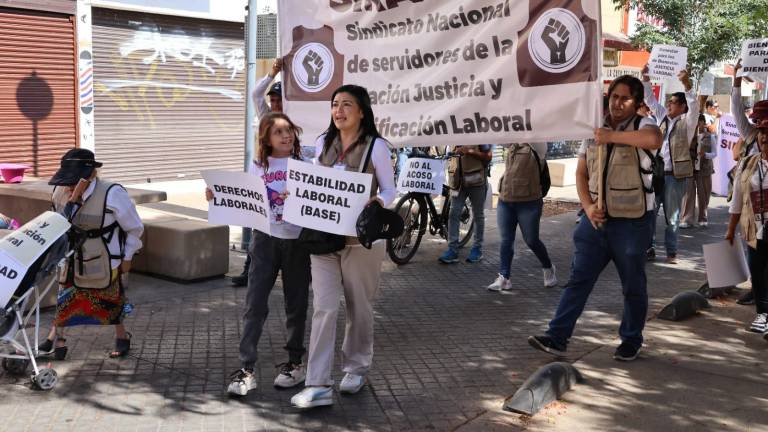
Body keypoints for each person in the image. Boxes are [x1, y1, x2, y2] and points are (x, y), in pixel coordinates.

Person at [528, 75, 662, 362]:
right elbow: (581, 173)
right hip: (595, 221)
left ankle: (631, 339)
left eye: (625, 98)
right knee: (578, 280)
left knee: (633, 285)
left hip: (633, 223)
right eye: (614, 96)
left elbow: (654, 139)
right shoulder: (593, 130)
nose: (617, 103)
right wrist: (587, 206)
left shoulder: (643, 126)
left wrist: (612, 136)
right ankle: (558, 336)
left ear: (637, 103)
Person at [290, 85, 396, 409]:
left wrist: (379, 201)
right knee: (323, 308)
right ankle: (318, 382)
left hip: (361, 243)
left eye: (347, 105)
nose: (339, 111)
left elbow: (391, 189)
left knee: (359, 307)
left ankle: (356, 368)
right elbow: (313, 185)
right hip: (323, 239)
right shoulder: (323, 143)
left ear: (362, 111)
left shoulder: (376, 147)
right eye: (335, 105)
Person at [207, 113, 311, 396]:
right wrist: (216, 195)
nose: (286, 135)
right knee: (254, 305)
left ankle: (294, 363)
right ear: (266, 137)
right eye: (279, 131)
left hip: (297, 242)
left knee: (296, 305)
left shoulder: (304, 165)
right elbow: (243, 197)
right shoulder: (257, 165)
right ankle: (246, 368)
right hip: (264, 241)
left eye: (289, 130)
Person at [38, 149, 143, 360]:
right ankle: (57, 340)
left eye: (73, 181)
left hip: (104, 259)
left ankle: (122, 337)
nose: (68, 185)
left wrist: (128, 258)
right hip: (71, 257)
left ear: (91, 174)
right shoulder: (61, 191)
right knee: (66, 298)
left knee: (110, 300)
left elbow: (135, 228)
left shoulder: (112, 193)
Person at [232, 59, 284, 288]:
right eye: (271, 100)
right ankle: (249, 270)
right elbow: (255, 95)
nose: (273, 104)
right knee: (257, 221)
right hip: (263, 176)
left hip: (285, 182)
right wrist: (272, 73)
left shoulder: (296, 122)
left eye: (277, 101)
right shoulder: (266, 117)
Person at [643, 66, 700, 264]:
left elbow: (695, 105)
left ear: (683, 106)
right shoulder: (661, 117)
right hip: (657, 174)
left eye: (673, 102)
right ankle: (649, 248)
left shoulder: (688, 122)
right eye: (668, 101)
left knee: (672, 218)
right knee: (649, 212)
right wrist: (645, 78)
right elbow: (649, 99)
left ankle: (671, 252)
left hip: (675, 177)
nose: (668, 104)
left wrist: (686, 84)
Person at [487, 142, 557, 291]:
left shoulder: (538, 144)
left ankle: (548, 267)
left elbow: (534, 138)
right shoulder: (512, 138)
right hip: (506, 200)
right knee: (506, 240)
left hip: (529, 202)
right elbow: (500, 136)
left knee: (531, 240)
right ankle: (504, 277)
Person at [725, 118, 768, 338]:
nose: (764, 137)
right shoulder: (748, 162)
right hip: (754, 229)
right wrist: (731, 230)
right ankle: (762, 314)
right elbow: (737, 200)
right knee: (757, 274)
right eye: (761, 132)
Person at [438, 144, 492, 264]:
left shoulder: (478, 134)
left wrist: (470, 151)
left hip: (476, 181)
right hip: (457, 183)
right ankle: (453, 250)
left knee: (478, 215)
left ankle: (477, 249)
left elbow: (488, 156)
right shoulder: (451, 134)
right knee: (453, 213)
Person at [680, 114, 716, 228]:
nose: (696, 125)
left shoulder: (710, 137)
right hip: (690, 168)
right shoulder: (688, 136)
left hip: (704, 169)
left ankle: (703, 218)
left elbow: (715, 153)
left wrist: (705, 154)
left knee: (704, 194)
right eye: (694, 122)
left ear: (702, 123)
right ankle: (686, 219)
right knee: (688, 194)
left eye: (699, 122)